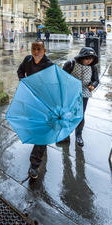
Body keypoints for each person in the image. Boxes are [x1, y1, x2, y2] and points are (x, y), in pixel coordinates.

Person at [17, 40, 54, 180]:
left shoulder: (49, 65)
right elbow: (20, 71)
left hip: (45, 103)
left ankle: (34, 165)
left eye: (39, 49)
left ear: (44, 50)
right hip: (31, 101)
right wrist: (23, 81)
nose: (36, 51)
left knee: (42, 133)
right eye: (34, 48)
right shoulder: (27, 60)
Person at [62, 47, 99, 147]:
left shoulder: (93, 67)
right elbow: (62, 77)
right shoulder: (70, 64)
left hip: (84, 94)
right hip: (71, 94)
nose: (88, 61)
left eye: (91, 59)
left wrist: (93, 85)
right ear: (81, 57)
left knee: (80, 115)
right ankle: (66, 135)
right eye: (86, 58)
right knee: (68, 114)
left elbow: (96, 80)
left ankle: (79, 135)